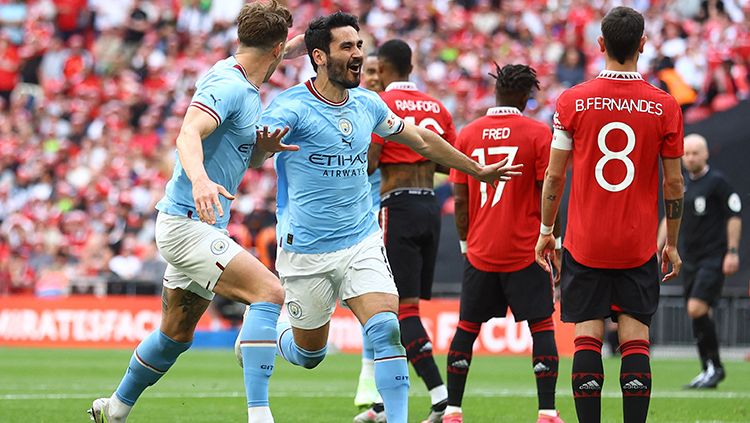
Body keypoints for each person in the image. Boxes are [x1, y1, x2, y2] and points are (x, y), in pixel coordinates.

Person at [253, 12, 521, 423]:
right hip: (306, 250)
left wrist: (476, 169)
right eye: (348, 47)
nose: (359, 54)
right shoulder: (291, 106)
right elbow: (254, 151)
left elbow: (422, 140)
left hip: (361, 241)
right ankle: (271, 335)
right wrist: (261, 149)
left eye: (359, 45)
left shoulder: (368, 104)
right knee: (308, 356)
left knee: (386, 329)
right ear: (320, 57)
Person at [87, 2, 303, 422]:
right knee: (270, 293)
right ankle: (260, 415)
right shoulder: (228, 85)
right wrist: (201, 180)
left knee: (175, 336)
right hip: (186, 223)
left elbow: (241, 151)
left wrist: (261, 149)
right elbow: (188, 133)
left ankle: (114, 409)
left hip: (195, 224)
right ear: (275, 51)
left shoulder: (243, 81)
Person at [534, 7, 685, 423]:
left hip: (585, 241)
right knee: (636, 337)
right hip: (637, 244)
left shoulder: (572, 100)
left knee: (587, 335)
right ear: (642, 45)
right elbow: (674, 185)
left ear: (600, 45)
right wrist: (670, 242)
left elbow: (554, 177)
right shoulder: (664, 106)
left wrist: (547, 230)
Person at [443, 64, 563, 423]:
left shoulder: (468, 133)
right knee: (541, 326)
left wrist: (465, 242)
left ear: (495, 93)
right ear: (527, 98)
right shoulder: (539, 133)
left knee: (467, 328)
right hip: (527, 248)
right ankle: (546, 412)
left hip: (480, 249)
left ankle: (452, 410)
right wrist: (549, 235)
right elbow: (548, 191)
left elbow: (460, 197)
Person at [357, 38, 457, 423]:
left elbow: (370, 163)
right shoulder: (437, 107)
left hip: (396, 207)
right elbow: (448, 161)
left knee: (396, 310)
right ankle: (384, 405)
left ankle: (439, 396)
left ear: (381, 69)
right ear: (412, 66)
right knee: (401, 308)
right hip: (430, 208)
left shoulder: (383, 105)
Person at [658, 133, 742, 389]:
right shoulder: (681, 185)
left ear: (705, 154)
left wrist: (732, 251)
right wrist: (658, 245)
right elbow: (669, 216)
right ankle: (708, 368)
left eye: (695, 152)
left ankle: (715, 367)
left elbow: (734, 215)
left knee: (696, 308)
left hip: (713, 257)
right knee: (697, 312)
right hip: (689, 259)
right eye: (687, 153)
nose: (690, 157)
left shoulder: (717, 182)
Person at [354, 52, 386, 418]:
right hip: (359, 215)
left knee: (377, 302)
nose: (373, 77)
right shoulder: (358, 111)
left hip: (385, 216)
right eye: (370, 72)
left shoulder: (386, 115)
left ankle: (373, 383)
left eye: (378, 71)